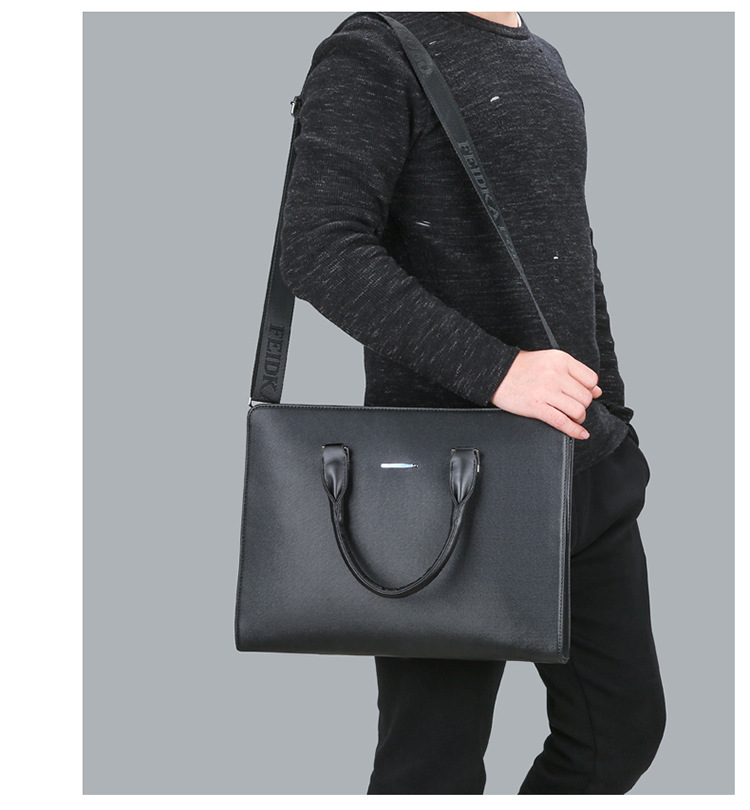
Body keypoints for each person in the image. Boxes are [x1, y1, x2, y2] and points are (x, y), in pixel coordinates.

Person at [278, 10, 666, 794]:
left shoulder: (542, 56)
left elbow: (568, 247)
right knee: (433, 770)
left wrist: (612, 412)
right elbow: (317, 247)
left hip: (577, 461)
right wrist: (498, 372)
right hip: (441, 486)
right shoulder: (371, 50)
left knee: (621, 735)